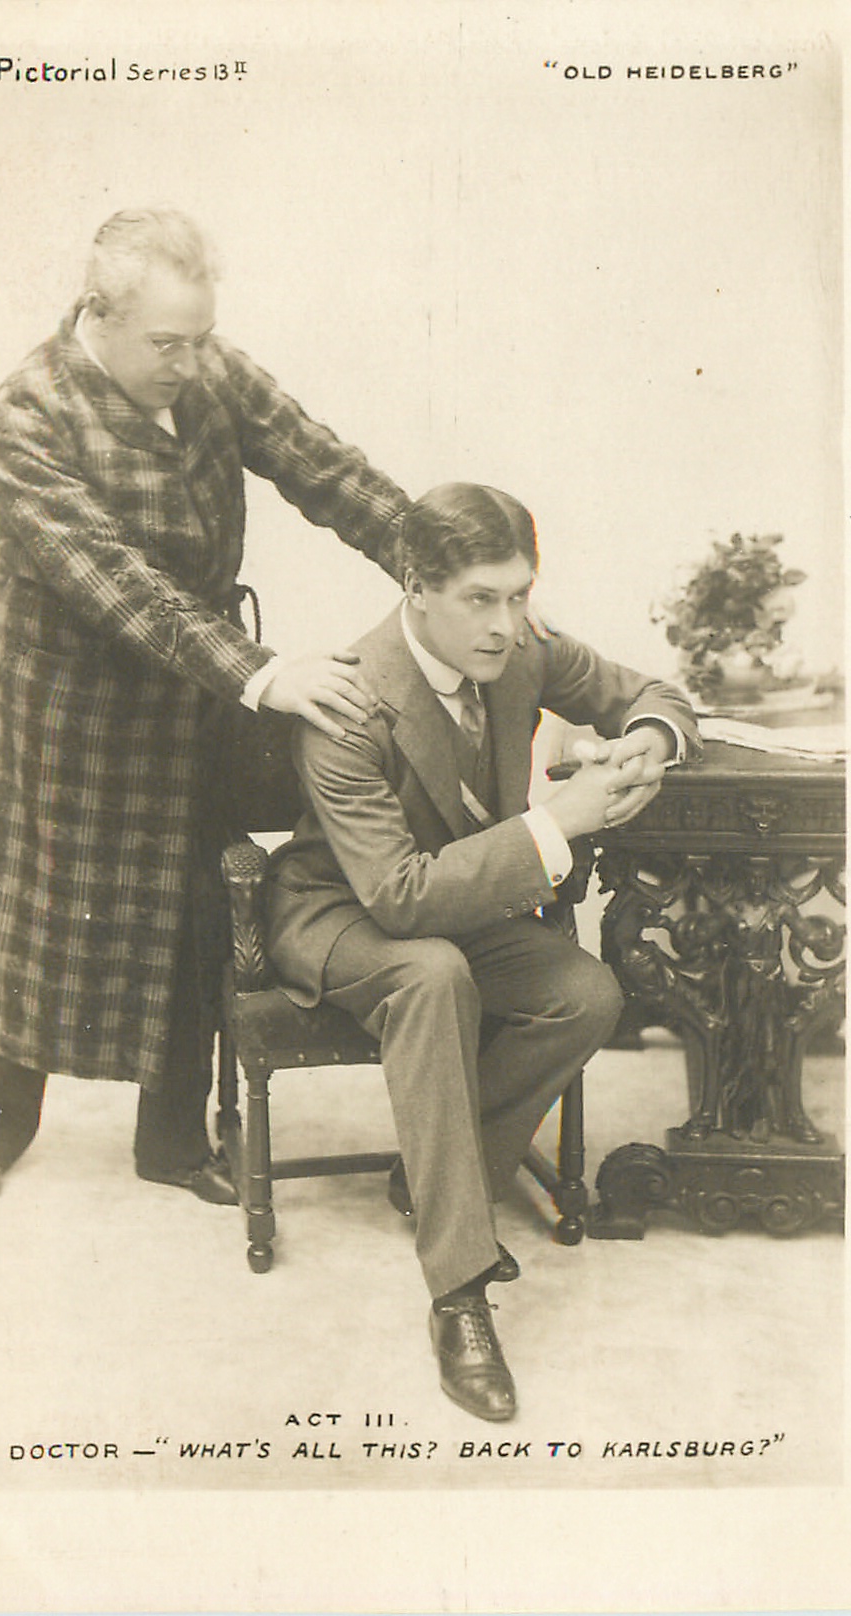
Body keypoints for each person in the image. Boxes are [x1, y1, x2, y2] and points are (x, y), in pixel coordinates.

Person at [0, 207, 413, 1215]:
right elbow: (115, 581)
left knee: (197, 910)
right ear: (97, 312)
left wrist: (435, 556)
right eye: (167, 343)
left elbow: (326, 469)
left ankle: (172, 1141)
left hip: (195, 690)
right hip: (62, 708)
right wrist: (262, 673)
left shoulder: (204, 366)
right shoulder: (23, 418)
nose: (189, 364)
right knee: (28, 913)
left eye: (201, 338)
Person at [266, 482, 701, 1420]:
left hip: (456, 902)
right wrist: (558, 823)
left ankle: (434, 1177)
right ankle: (458, 1295)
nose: (507, 624)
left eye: (519, 594)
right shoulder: (347, 699)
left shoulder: (518, 648)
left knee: (587, 993)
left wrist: (647, 743)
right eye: (480, 599)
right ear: (416, 587)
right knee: (433, 974)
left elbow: (650, 693)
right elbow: (398, 896)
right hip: (340, 912)